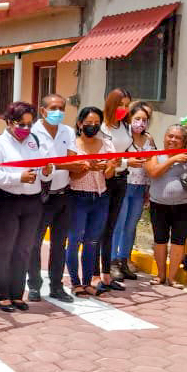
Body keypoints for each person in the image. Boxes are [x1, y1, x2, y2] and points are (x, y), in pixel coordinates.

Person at [0, 102, 54, 312]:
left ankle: (17, 294)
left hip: (31, 202)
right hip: (6, 201)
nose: (25, 128)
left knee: (24, 249)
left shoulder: (34, 141)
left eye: (29, 124)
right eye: (20, 124)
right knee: (4, 249)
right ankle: (2, 294)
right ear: (8, 122)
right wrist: (17, 177)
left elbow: (41, 168)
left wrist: (47, 172)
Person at [28, 94, 79, 303]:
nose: (57, 112)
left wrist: (56, 165)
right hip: (41, 195)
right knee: (34, 243)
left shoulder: (68, 131)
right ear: (43, 110)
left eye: (61, 108)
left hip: (63, 194)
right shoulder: (33, 133)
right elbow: (38, 165)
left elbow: (73, 162)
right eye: (53, 108)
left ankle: (57, 286)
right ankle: (34, 286)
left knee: (60, 244)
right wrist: (63, 164)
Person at [66, 107, 118, 296]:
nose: (92, 127)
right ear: (80, 124)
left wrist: (110, 166)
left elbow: (109, 175)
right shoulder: (73, 145)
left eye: (96, 124)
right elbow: (71, 173)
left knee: (92, 242)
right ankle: (75, 282)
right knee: (74, 241)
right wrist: (88, 167)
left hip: (100, 197)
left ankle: (87, 281)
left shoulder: (107, 145)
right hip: (77, 197)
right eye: (88, 123)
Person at [146, 124, 187, 288]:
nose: (172, 140)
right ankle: (160, 275)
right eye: (170, 136)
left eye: (177, 138)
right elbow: (153, 172)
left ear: (183, 141)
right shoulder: (155, 154)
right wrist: (172, 160)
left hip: (183, 205)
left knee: (178, 241)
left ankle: (172, 278)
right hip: (159, 204)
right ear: (164, 137)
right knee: (160, 239)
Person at [111, 101, 155, 279]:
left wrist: (149, 189)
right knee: (118, 225)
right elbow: (114, 158)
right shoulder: (124, 137)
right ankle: (112, 261)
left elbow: (152, 163)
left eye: (145, 120)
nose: (141, 123)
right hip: (123, 184)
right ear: (130, 118)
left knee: (131, 226)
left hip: (140, 187)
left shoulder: (149, 139)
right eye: (137, 119)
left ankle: (124, 259)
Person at [94, 87, 133, 292]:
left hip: (121, 180)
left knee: (110, 227)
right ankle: (92, 274)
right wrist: (126, 162)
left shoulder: (124, 127)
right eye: (120, 105)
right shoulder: (101, 127)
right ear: (111, 104)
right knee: (98, 227)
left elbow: (123, 154)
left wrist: (126, 162)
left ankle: (106, 274)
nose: (124, 109)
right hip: (103, 180)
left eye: (127, 106)